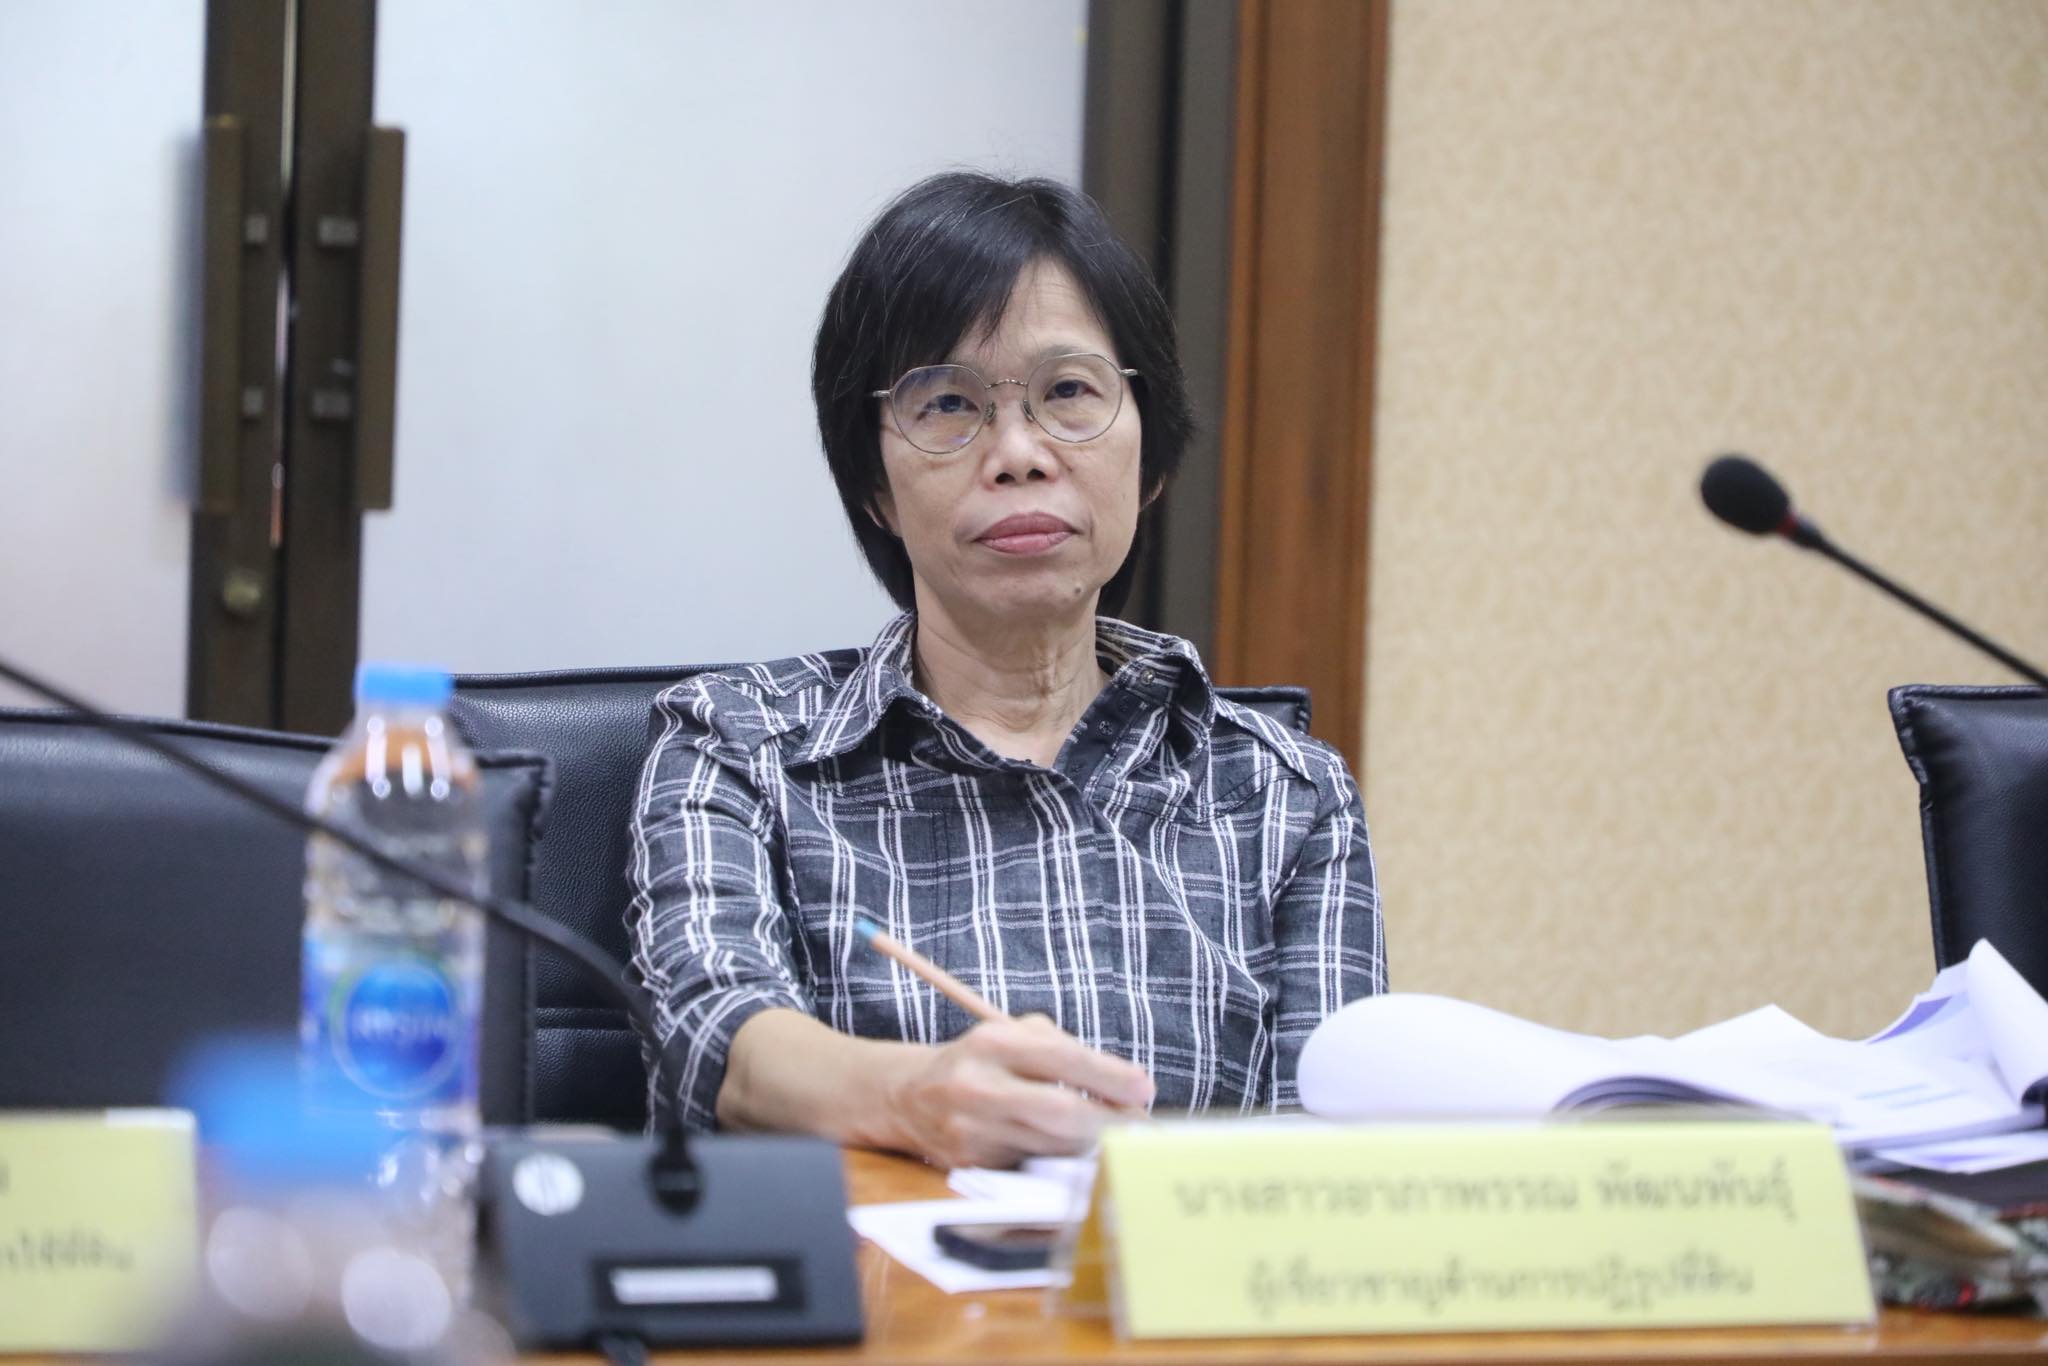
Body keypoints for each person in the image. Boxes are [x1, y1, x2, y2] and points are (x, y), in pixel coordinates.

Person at [628, 171, 1384, 1169]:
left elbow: (1329, 1160)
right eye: (949, 403)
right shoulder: (737, 745)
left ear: (1150, 456)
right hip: (867, 1271)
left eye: (1068, 392)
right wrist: (911, 1097)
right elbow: (712, 1034)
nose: (1018, 453)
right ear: (874, 485)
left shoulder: (1285, 794)